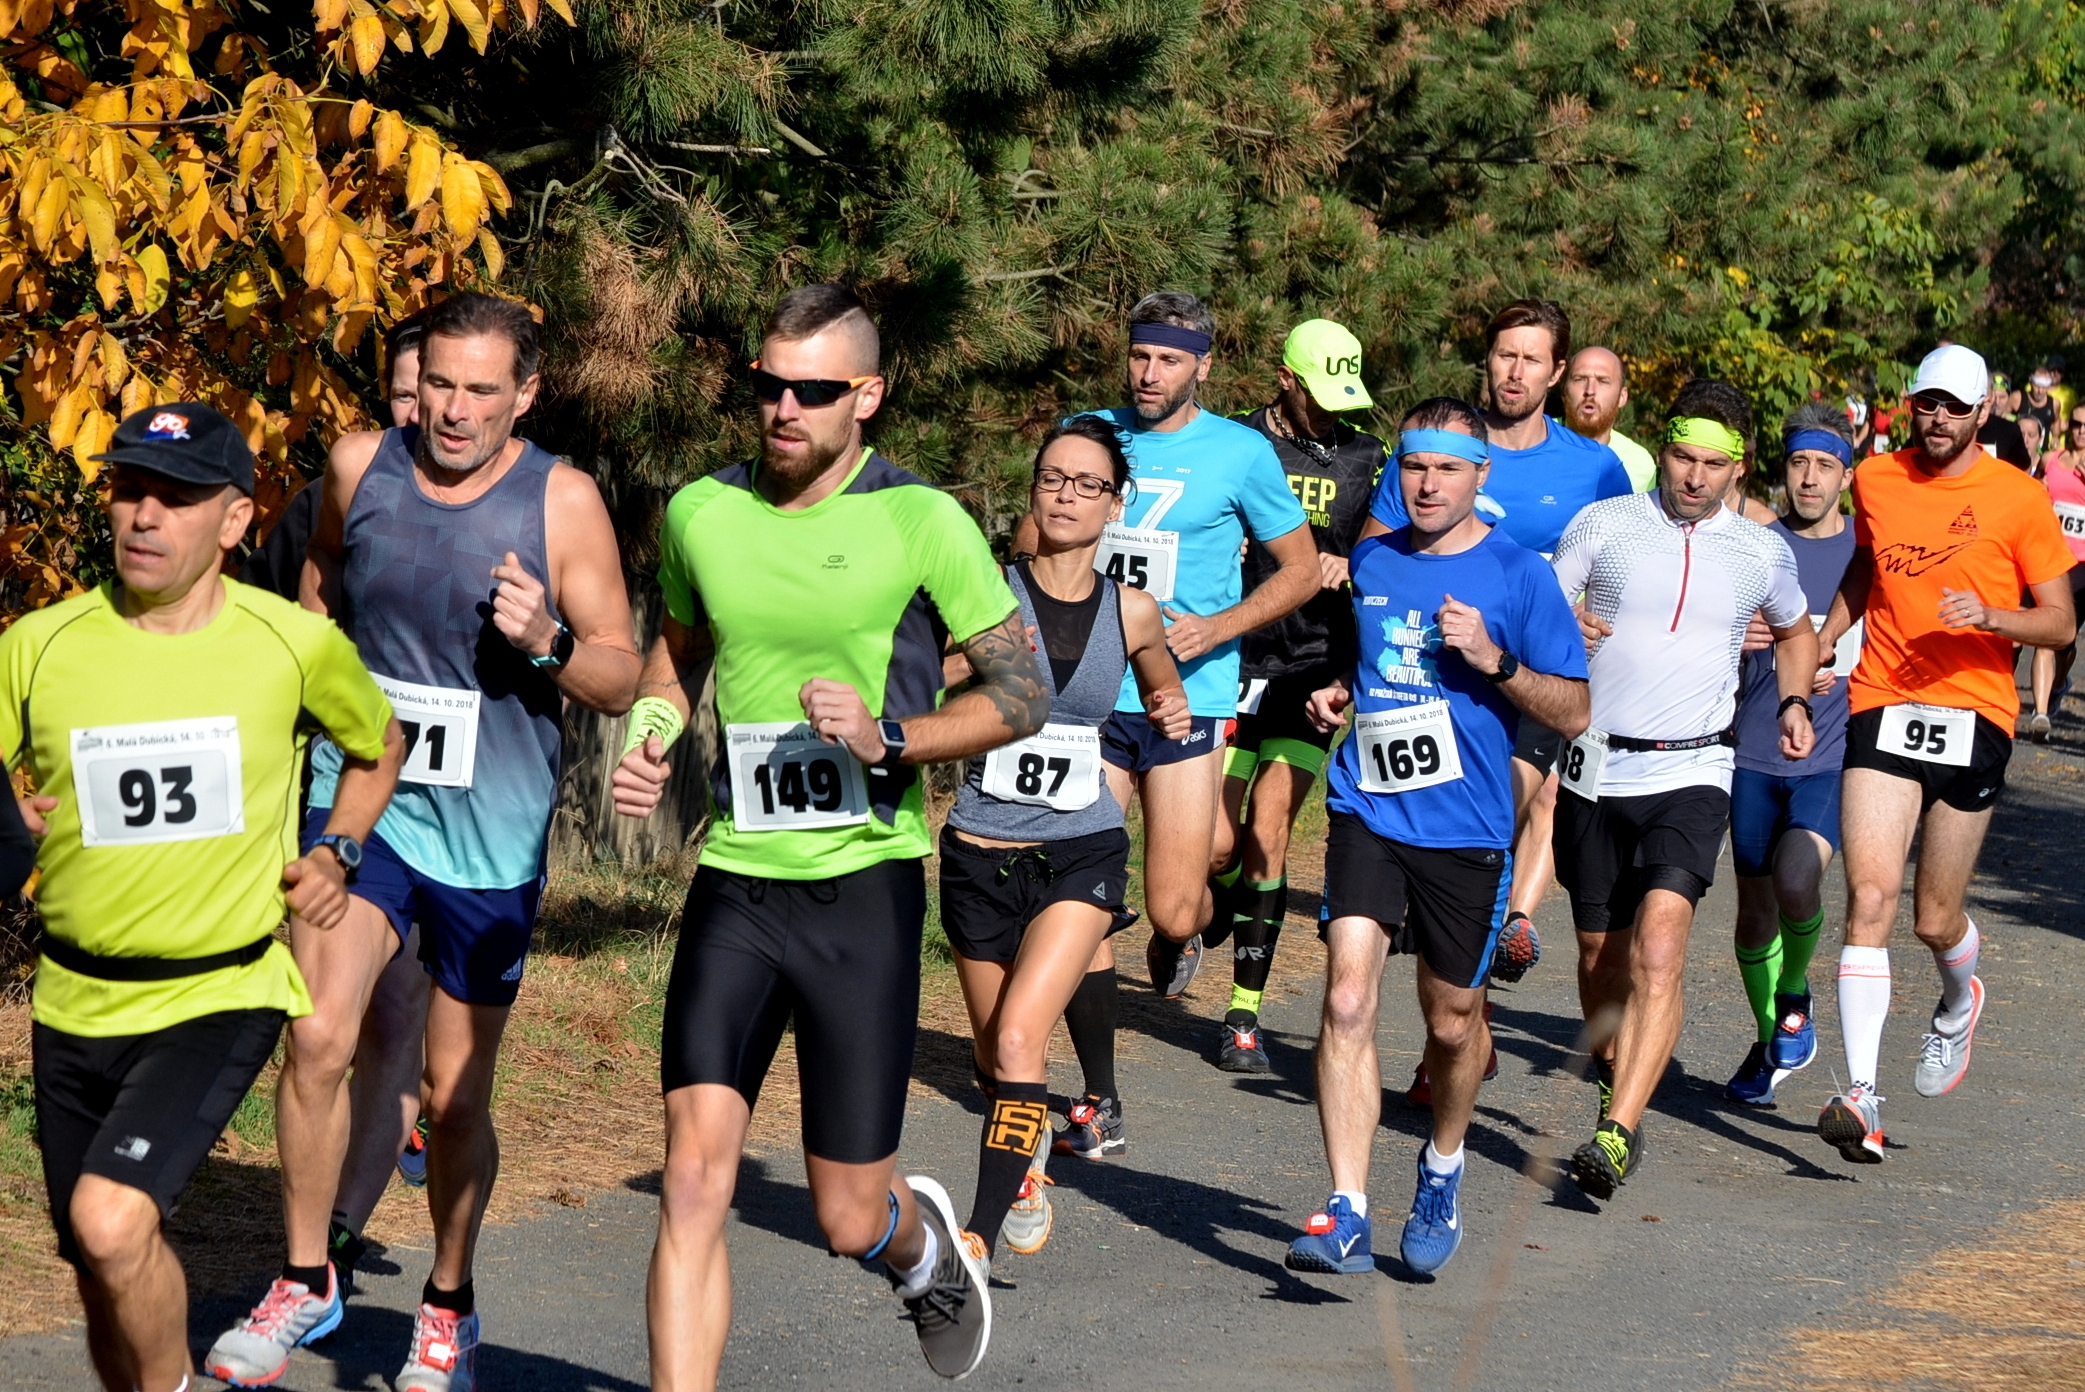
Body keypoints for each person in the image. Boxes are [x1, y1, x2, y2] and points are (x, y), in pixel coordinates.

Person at [610, 285, 1050, 1384]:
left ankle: (919, 1252)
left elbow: (1025, 693)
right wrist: (657, 725)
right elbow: (675, 649)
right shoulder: (701, 510)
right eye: (768, 386)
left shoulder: (920, 518)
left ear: (868, 397)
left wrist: (891, 735)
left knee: (847, 1212)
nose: (783, 408)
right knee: (695, 1178)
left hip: (864, 886)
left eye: (812, 390)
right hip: (738, 880)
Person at [208, 293, 643, 1391]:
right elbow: (319, 586)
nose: (451, 411)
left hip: (489, 830)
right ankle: (306, 1280)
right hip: (364, 798)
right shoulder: (364, 465)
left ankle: (448, 1299)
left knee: (454, 1097)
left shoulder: (566, 502)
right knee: (315, 1036)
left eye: (480, 391)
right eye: (439, 383)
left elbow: (617, 673)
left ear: (525, 396)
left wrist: (545, 639)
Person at [16, 403, 400, 1392]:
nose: (145, 516)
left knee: (111, 1221)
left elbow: (378, 743)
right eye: (129, 490)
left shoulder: (291, 644)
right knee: (101, 1267)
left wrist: (338, 851)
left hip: (216, 991)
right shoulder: (39, 644)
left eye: (177, 497)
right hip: (71, 998)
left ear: (235, 521)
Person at [1284, 399, 1589, 1277]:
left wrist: (1495, 661)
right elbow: (1376, 660)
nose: (1426, 484)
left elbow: (1574, 709)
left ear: (1478, 476)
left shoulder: (1518, 574)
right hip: (1367, 808)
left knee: (1452, 1027)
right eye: (1414, 467)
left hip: (1467, 828)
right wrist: (1340, 690)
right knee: (1345, 999)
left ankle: (1444, 1165)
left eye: (1446, 469)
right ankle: (1345, 1208)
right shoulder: (1373, 559)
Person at [1015, 291, 1316, 1155]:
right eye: (1140, 356)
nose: (1149, 374)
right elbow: (1034, 531)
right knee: (1086, 891)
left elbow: (1297, 570)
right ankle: (1096, 1092)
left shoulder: (1241, 452)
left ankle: (1191, 929)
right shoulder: (1089, 432)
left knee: (1174, 909)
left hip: (1191, 694)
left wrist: (1217, 628)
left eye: (1170, 361)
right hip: (1091, 699)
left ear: (1203, 366)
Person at [1550, 380, 1817, 1200]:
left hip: (1694, 768)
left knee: (1660, 952)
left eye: (1712, 464)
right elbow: (1541, 604)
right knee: (1601, 958)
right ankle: (1611, 1074)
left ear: (1736, 470)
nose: (1693, 477)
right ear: (1660, 452)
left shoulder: (1761, 550)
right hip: (1595, 764)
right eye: (1680, 457)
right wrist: (1564, 625)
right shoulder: (1605, 524)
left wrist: (1796, 700)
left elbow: (1797, 630)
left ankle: (1617, 1131)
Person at [1815, 344, 2076, 1164]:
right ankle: (1862, 1093)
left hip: (1975, 713)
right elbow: (1865, 566)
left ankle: (1959, 999)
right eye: (1925, 404)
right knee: (1868, 896)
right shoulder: (1879, 478)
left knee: (1932, 918)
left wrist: (1991, 617)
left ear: (1983, 409)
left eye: (1953, 408)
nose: (1936, 420)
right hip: (1883, 700)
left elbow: (2060, 624)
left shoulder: (2018, 497)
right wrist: (1828, 637)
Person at [1367, 300, 1631, 1105]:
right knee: (1446, 857)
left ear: (1555, 372)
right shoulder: (1437, 452)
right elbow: (1375, 546)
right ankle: (1461, 1034)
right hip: (1435, 683)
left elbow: (1629, 558)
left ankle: (1464, 1013)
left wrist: (1590, 613)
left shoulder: (1591, 467)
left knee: (1497, 823)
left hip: (1528, 679)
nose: (1513, 372)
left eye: (1530, 359)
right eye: (1501, 356)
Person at [941, 416, 1189, 1266]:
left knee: (1018, 1036)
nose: (1067, 496)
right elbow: (923, 679)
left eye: (1087, 485)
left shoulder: (1133, 608)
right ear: (1034, 489)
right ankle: (1029, 1149)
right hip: (980, 845)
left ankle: (976, 1231)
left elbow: (1161, 685)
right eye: (1053, 478)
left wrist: (1172, 709)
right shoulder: (983, 591)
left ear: (1114, 505)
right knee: (992, 1057)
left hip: (1083, 846)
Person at [239, 314, 438, 1286]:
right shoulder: (334, 501)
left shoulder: (526, 503)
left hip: (459, 808)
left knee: (402, 1026)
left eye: (437, 392)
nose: (423, 412)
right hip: (347, 793)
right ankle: (309, 1257)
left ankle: (348, 1224)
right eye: (405, 394)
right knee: (326, 1024)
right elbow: (268, 627)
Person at [1208, 318, 1386, 1074]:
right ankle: (1208, 898)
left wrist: (1352, 563)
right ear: (1284, 379)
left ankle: (1241, 1015)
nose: (1335, 413)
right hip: (1229, 657)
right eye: (1321, 395)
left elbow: (1384, 549)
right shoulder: (1238, 443)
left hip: (1312, 661)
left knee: (1270, 827)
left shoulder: (1365, 455)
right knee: (1219, 841)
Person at [1723, 404, 1859, 1106]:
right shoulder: (1752, 537)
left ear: (1845, 473)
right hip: (1750, 746)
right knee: (1753, 912)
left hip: (1828, 751)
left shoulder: (1863, 550)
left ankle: (1795, 987)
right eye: (1798, 464)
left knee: (1797, 877)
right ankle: (1769, 1034)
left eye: (1824, 466)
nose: (1808, 479)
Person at [2027, 404, 2085, 740]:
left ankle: (2060, 682)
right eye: (2076, 424)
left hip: (2084, 567)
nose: (2080, 430)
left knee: (2067, 640)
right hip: (2053, 559)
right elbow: (2031, 496)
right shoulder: (2052, 459)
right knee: (2044, 636)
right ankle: (2041, 713)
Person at [1562, 346, 1658, 492]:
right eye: (1580, 379)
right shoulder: (1534, 438)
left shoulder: (1641, 464)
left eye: (1603, 381)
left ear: (1622, 397)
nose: (1590, 391)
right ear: (1564, 391)